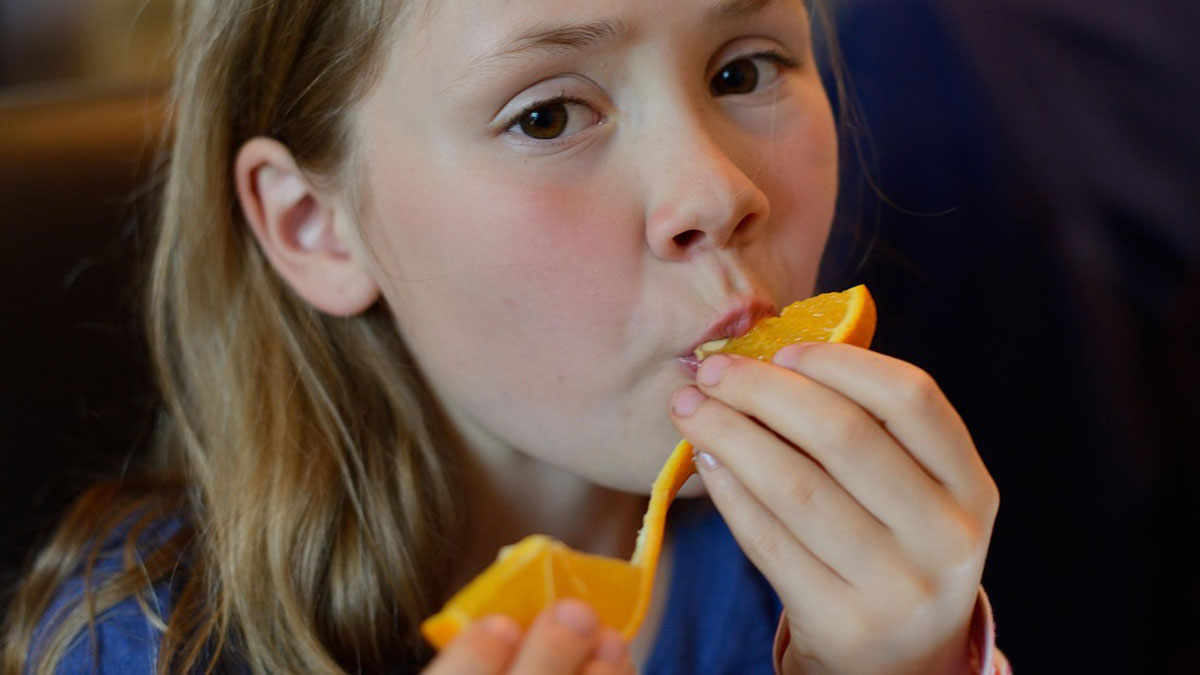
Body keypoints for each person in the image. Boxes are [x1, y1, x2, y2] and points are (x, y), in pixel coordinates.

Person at [2, 0, 1010, 672]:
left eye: (745, 69)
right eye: (546, 118)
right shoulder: (144, 637)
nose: (717, 192)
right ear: (316, 227)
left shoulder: (845, 568)